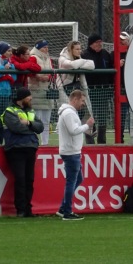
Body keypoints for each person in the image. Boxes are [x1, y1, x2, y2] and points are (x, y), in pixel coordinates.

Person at [0, 87, 44, 217]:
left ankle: (27, 209)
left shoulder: (30, 111)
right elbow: (16, 128)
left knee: (29, 180)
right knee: (20, 179)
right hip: (16, 149)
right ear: (21, 99)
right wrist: (32, 128)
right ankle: (20, 209)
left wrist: (28, 124)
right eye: (28, 97)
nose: (31, 98)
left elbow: (40, 127)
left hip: (30, 148)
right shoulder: (9, 111)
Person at [56, 89, 95, 220]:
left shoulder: (68, 113)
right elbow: (73, 131)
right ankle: (67, 211)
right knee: (72, 181)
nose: (83, 104)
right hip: (71, 152)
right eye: (82, 101)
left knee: (77, 180)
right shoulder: (69, 113)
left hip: (72, 150)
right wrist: (87, 126)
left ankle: (63, 208)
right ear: (75, 99)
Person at [59, 40, 95, 141]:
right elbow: (71, 65)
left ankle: (88, 138)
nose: (80, 51)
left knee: (83, 112)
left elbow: (92, 65)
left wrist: (79, 62)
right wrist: (82, 62)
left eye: (80, 49)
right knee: (71, 114)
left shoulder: (79, 58)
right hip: (67, 89)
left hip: (79, 88)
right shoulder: (62, 58)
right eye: (77, 49)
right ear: (71, 50)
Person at [81, 33, 113, 144]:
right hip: (89, 92)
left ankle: (102, 142)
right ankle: (90, 142)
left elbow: (112, 69)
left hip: (104, 91)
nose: (100, 44)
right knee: (89, 117)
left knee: (102, 118)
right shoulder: (84, 55)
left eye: (100, 42)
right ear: (91, 44)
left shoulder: (105, 54)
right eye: (97, 42)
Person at [28, 40, 56, 145]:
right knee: (36, 118)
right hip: (35, 90)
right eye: (44, 47)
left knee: (46, 120)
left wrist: (48, 77)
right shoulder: (33, 57)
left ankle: (45, 143)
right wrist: (39, 77)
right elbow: (29, 71)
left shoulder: (48, 58)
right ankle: (35, 141)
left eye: (47, 47)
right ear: (38, 48)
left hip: (46, 91)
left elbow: (53, 72)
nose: (46, 49)